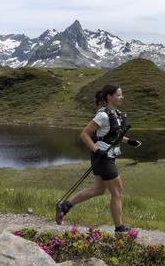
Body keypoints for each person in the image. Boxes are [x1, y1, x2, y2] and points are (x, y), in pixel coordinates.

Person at [55, 84, 141, 235]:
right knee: (117, 191)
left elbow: (113, 135)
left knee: (99, 190)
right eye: (119, 95)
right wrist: (96, 150)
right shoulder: (103, 115)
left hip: (108, 156)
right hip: (102, 156)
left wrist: (129, 141)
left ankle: (65, 206)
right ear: (109, 97)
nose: (122, 97)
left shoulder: (117, 114)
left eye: (122, 94)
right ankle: (119, 228)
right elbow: (84, 134)